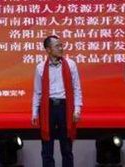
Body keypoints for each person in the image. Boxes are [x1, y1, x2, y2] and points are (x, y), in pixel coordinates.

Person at [31, 35, 83, 167]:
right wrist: (34, 113)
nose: (61, 48)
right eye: (57, 46)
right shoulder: (40, 67)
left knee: (66, 148)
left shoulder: (71, 65)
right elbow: (37, 92)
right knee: (47, 149)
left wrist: (77, 109)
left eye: (61, 45)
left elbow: (77, 88)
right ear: (48, 49)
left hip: (65, 108)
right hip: (47, 108)